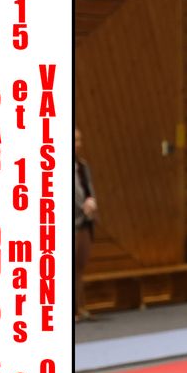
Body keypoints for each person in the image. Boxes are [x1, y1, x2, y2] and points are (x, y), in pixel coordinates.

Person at [74, 127, 98, 323]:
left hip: (85, 222)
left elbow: (88, 188)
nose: (78, 144)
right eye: (75, 140)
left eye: (80, 140)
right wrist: (82, 206)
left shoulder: (83, 166)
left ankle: (80, 306)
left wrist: (92, 202)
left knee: (80, 266)